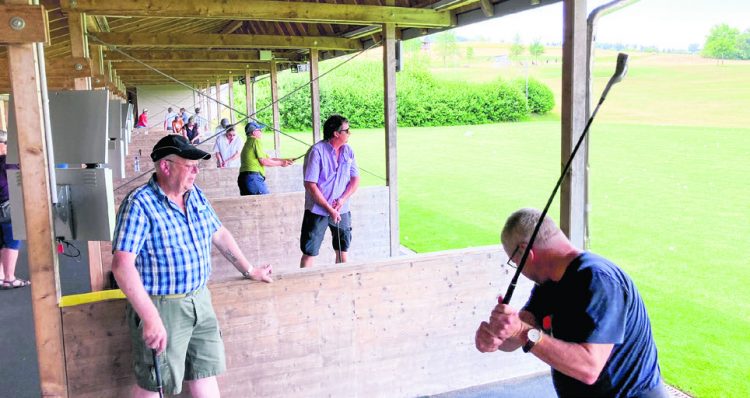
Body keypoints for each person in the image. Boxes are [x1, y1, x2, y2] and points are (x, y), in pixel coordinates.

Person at [111, 134, 273, 397]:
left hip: (200, 300)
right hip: (163, 305)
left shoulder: (194, 194)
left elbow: (219, 234)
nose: (196, 171)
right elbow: (122, 266)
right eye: (190, 165)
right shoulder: (139, 204)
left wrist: (249, 270)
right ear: (166, 166)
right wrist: (151, 318)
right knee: (155, 383)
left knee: (204, 371)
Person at [475, 208, 667, 398]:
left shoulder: (598, 281)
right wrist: (498, 337)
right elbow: (521, 329)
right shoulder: (548, 283)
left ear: (526, 253)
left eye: (515, 263)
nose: (519, 269)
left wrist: (520, 330)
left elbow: (589, 368)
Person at [299, 114, 359, 268]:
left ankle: (343, 284)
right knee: (309, 252)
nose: (349, 133)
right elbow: (310, 185)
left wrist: (342, 200)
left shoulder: (349, 151)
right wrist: (329, 209)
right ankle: (306, 285)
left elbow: (355, 180)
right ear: (336, 133)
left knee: (342, 250)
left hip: (342, 209)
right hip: (318, 211)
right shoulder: (316, 151)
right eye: (347, 130)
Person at [0, 130, 27, 290]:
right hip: (7, 206)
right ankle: (9, 278)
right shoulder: (7, 162)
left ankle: (2, 276)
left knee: (1, 241)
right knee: (13, 239)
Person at [237, 121, 293, 196]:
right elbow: (263, 161)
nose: (261, 132)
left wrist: (284, 160)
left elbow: (268, 159)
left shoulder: (248, 143)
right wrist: (281, 163)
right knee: (266, 202)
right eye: (259, 130)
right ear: (254, 132)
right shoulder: (256, 141)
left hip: (243, 178)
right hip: (253, 178)